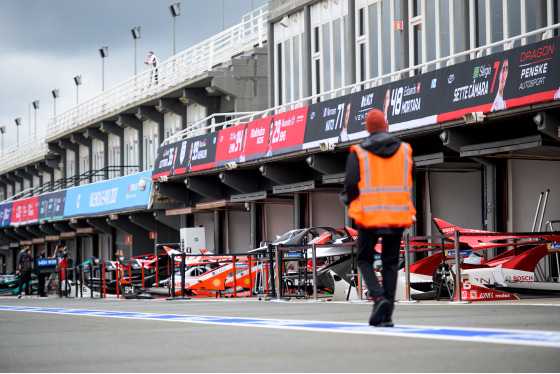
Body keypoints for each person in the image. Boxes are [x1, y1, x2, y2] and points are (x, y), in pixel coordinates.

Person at [341, 108, 416, 327]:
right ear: (386, 126)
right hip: (397, 214)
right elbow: (413, 175)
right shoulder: (404, 149)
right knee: (390, 262)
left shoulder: (359, 151)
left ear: (368, 129)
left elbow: (351, 183)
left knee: (364, 259)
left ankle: (379, 298)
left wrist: (349, 200)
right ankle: (386, 314)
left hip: (369, 215)